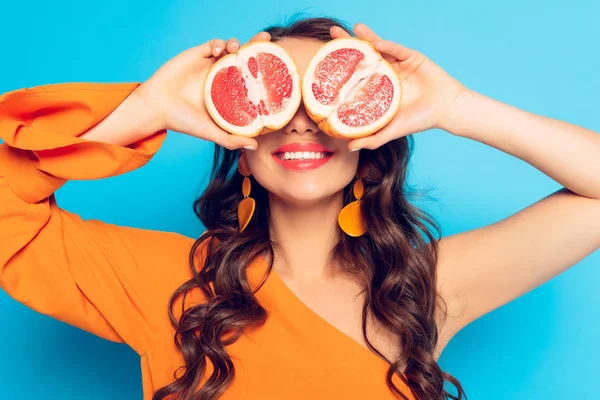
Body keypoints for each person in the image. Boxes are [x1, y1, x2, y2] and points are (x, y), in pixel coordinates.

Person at [1, 16, 598, 400]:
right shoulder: (164, 280)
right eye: (276, 96)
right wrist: (150, 106)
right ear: (239, 148)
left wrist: (458, 107)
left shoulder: (424, 287)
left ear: (370, 149)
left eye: (330, 97)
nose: (303, 120)